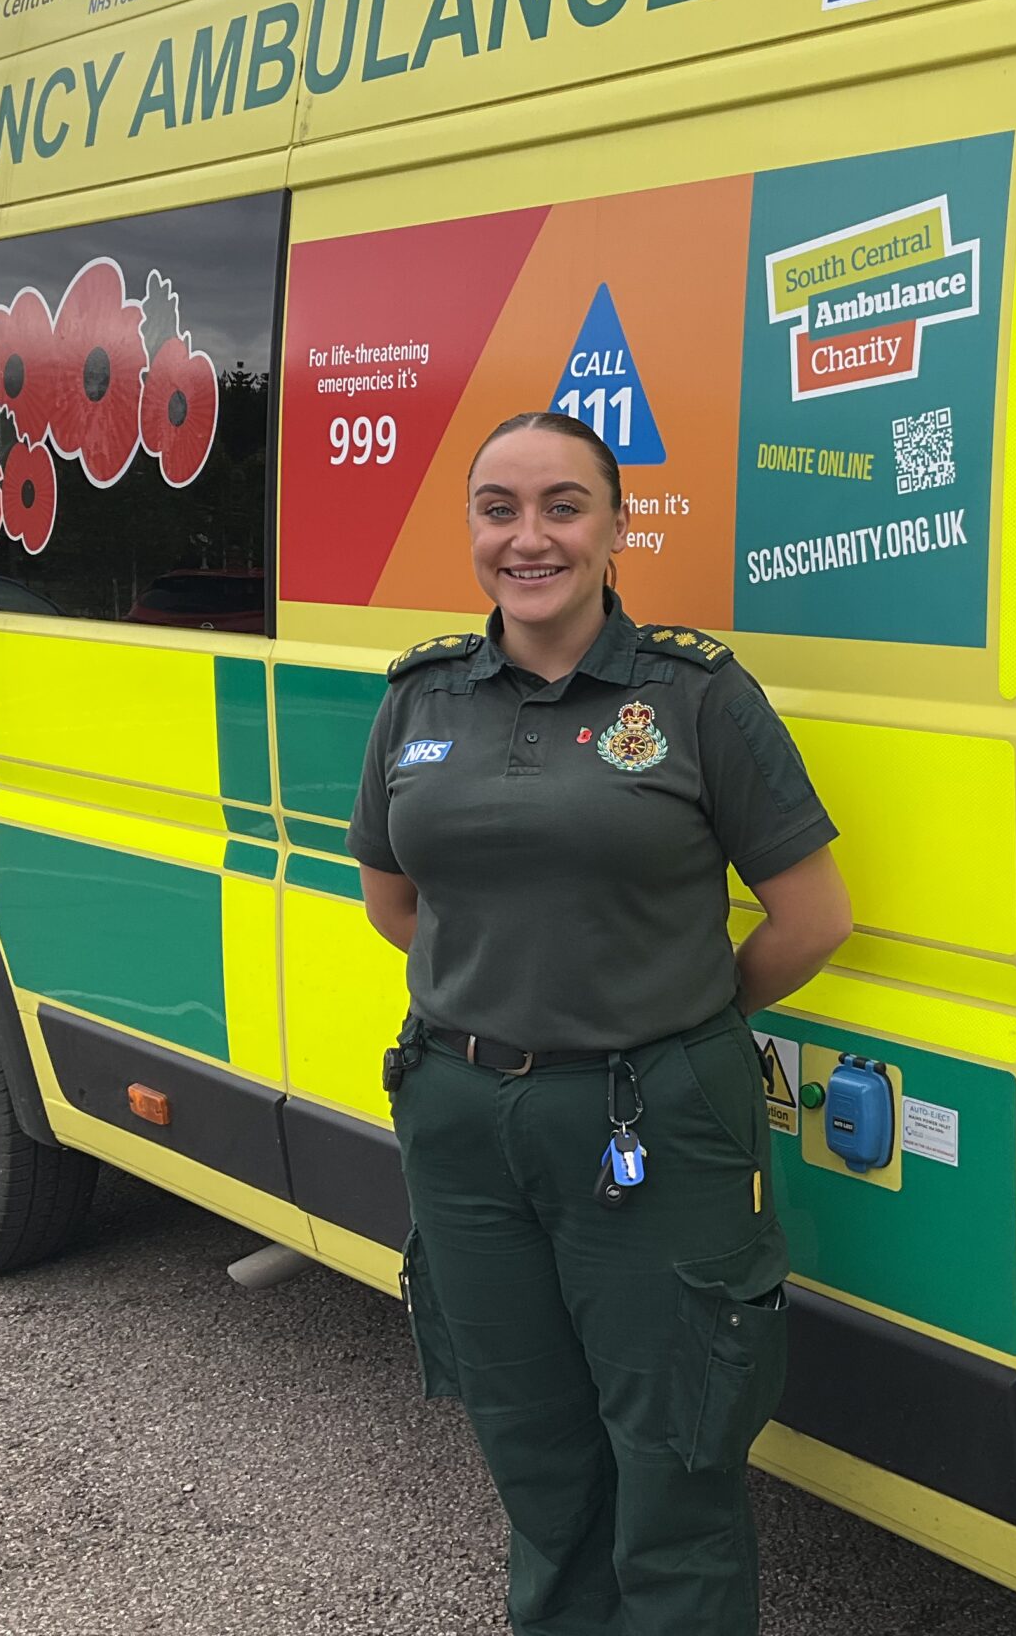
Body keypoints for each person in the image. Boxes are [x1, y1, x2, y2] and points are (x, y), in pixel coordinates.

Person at [348, 410, 853, 1636]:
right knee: (531, 1447)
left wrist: (670, 1011)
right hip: (464, 1125)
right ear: (471, 527)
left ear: (619, 527)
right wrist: (519, 986)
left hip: (652, 1121)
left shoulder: (693, 696)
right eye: (499, 508)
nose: (529, 538)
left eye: (563, 506)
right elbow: (392, 900)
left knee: (676, 1460)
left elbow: (812, 916)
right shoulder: (421, 695)